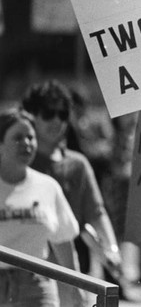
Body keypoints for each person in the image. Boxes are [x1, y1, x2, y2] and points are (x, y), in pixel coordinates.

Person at [20, 80, 122, 302]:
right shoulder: (17, 165)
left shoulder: (78, 164)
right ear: (31, 116)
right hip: (26, 275)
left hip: (71, 273)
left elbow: (96, 213)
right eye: (48, 113)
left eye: (63, 114)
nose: (57, 120)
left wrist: (112, 250)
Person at [0, 108, 85, 307]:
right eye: (18, 138)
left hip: (37, 285)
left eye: (31, 137)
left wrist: (76, 287)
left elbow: (63, 241)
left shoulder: (48, 187)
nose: (27, 144)